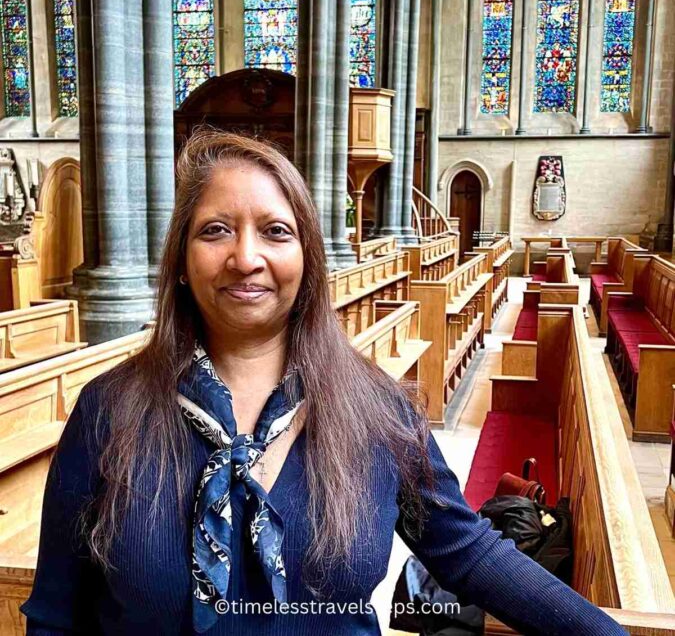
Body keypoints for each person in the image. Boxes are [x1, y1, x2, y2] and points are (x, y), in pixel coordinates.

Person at [22, 131, 628, 636]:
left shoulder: (376, 409)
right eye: (215, 231)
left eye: (276, 231)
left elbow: (468, 553)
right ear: (180, 261)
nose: (245, 257)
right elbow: (54, 615)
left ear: (308, 255)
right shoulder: (109, 411)